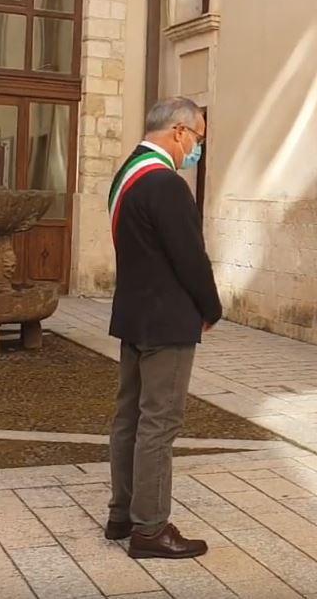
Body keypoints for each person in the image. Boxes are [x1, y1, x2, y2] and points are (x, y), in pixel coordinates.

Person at [105, 97, 222, 557]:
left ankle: (122, 513)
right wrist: (210, 308)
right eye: (197, 139)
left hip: (134, 314)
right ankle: (150, 529)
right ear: (178, 131)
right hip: (167, 319)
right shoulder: (166, 185)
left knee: (129, 418)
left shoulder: (127, 175)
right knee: (159, 423)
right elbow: (190, 259)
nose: (195, 150)